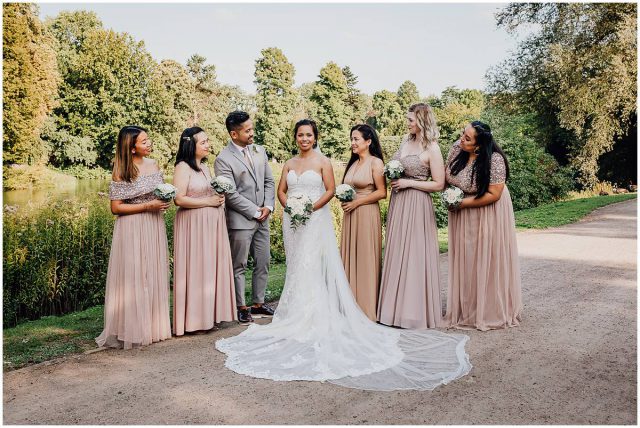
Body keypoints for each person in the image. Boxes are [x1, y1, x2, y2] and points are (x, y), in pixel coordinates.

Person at [215, 119, 471, 392]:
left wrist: (309, 209)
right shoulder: (289, 163)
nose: (304, 139)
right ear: (295, 138)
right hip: (292, 222)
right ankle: (293, 310)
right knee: (296, 266)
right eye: (300, 135)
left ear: (315, 137)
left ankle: (315, 313)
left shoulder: (324, 161)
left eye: (308, 135)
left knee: (313, 264)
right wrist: (290, 206)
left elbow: (329, 189)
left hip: (314, 218)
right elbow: (280, 189)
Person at [96, 125, 171, 349]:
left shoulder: (154, 164)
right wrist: (148, 206)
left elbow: (159, 193)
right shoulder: (120, 169)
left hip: (153, 225)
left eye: (148, 140)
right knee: (134, 275)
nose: (149, 144)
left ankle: (153, 326)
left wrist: (164, 200)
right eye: (144, 141)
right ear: (131, 147)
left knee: (153, 272)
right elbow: (116, 208)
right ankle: (131, 328)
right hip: (131, 227)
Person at [444, 121, 522, 331]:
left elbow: (494, 194)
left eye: (467, 138)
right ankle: (467, 307)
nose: (461, 139)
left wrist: (460, 203)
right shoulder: (456, 149)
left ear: (478, 145)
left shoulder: (494, 160)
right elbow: (446, 177)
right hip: (462, 213)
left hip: (488, 211)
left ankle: (489, 309)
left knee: (487, 257)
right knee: (467, 258)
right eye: (463, 134)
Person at [377, 103, 445, 329]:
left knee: (415, 253)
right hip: (399, 202)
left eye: (411, 120)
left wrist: (408, 183)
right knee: (397, 251)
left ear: (422, 121)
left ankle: (413, 312)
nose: (408, 124)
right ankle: (392, 310)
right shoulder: (405, 141)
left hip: (417, 203)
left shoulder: (432, 148)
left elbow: (439, 184)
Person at [172, 127, 236, 336]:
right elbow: (179, 199)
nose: (208, 145)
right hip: (192, 225)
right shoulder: (183, 167)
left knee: (208, 269)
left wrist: (219, 197)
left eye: (208, 141)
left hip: (211, 226)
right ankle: (192, 321)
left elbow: (209, 192)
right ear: (191, 145)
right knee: (195, 269)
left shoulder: (205, 168)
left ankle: (208, 317)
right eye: (204, 142)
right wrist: (207, 201)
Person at [214, 111, 276, 323]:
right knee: (239, 265)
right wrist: (255, 211)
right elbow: (230, 194)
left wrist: (268, 206)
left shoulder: (260, 151)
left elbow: (269, 181)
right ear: (233, 134)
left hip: (263, 217)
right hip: (241, 221)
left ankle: (258, 304)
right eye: (247, 130)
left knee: (263, 261)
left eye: (251, 128)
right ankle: (241, 306)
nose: (252, 133)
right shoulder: (223, 159)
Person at [340, 124, 386, 321]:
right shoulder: (352, 163)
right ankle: (350, 304)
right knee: (350, 256)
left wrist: (357, 202)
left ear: (368, 141)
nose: (353, 142)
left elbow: (382, 192)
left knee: (365, 257)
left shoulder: (375, 163)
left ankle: (367, 307)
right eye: (352, 138)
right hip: (350, 215)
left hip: (366, 213)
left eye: (356, 139)